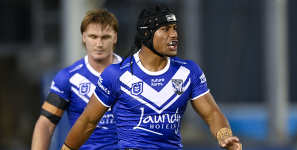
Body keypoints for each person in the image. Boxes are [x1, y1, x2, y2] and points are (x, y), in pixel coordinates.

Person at [60, 5, 242, 150]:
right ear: (146, 34)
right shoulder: (117, 74)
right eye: (165, 29)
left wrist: (224, 136)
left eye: (175, 28)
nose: (174, 35)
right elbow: (88, 121)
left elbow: (211, 114)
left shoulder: (188, 71)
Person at [31, 9, 122, 150]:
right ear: (84, 37)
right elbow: (46, 123)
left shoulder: (133, 73)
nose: (99, 43)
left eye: (105, 37)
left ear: (114, 37)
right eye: (93, 36)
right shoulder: (68, 77)